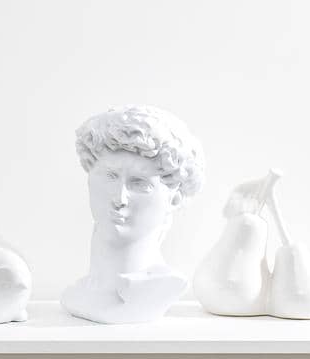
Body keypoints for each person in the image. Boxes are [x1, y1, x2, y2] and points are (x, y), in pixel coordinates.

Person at [61, 105, 204, 324]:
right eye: (110, 176)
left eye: (140, 184)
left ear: (173, 199)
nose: (120, 198)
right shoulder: (76, 293)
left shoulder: (160, 288)